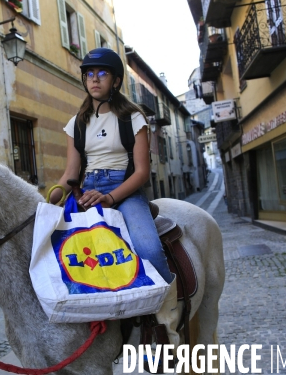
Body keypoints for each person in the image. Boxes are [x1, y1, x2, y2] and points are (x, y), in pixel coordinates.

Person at [49, 47, 180, 349]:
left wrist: (109, 198)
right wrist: (47, 199)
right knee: (62, 254)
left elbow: (142, 172)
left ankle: (165, 326)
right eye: (89, 74)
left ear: (116, 81)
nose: (94, 80)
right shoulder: (76, 124)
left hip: (125, 191)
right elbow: (71, 172)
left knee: (149, 248)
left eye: (102, 74)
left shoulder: (133, 118)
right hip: (87, 192)